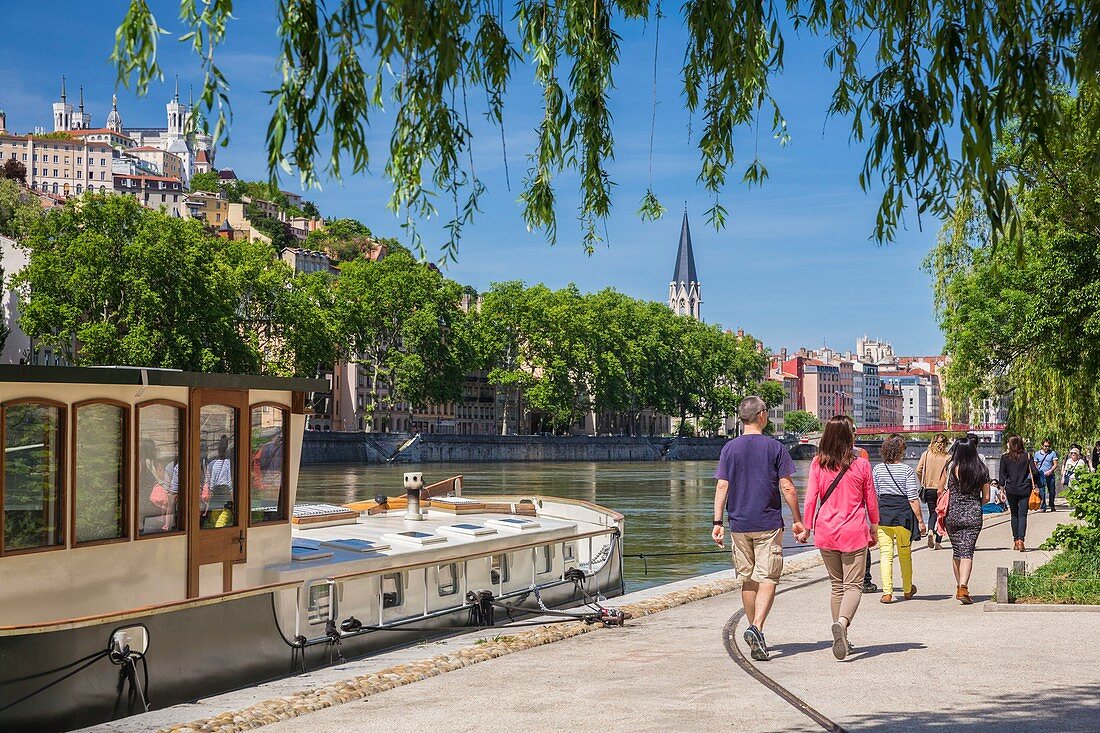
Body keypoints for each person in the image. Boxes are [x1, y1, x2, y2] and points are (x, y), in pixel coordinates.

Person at [712, 396, 806, 662]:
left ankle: (756, 634)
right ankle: (757, 628)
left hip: (738, 524)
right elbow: (787, 486)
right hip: (767, 523)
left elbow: (722, 486)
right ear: (762, 415)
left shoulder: (729, 449)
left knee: (747, 579)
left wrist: (717, 522)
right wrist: (798, 519)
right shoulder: (774, 447)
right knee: (768, 577)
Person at [803, 415, 879, 661]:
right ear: (849, 437)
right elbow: (871, 500)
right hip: (853, 531)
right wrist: (875, 526)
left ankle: (841, 634)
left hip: (825, 530)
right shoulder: (862, 465)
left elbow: (811, 498)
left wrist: (806, 526)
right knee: (853, 585)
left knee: (837, 586)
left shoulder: (817, 464)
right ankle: (843, 624)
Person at [871, 434, 925, 603]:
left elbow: (875, 494)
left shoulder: (878, 469)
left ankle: (887, 593)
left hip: (884, 514)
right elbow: (912, 497)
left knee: (885, 554)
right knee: (904, 554)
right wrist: (921, 521)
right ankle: (908, 589)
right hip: (903, 516)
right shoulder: (907, 470)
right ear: (901, 451)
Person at [943, 437, 990, 604]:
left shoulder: (951, 467)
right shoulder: (982, 470)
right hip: (973, 514)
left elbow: (943, 489)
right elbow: (986, 498)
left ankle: (959, 586)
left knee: (957, 551)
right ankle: (963, 586)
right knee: (967, 552)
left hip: (953, 514)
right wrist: (974, 502)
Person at [999, 435, 1038, 552]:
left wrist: (1002, 489)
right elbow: (1035, 472)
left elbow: (1002, 476)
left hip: (1011, 489)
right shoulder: (1027, 456)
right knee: (1023, 515)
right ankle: (1021, 540)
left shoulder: (1005, 458)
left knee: (1014, 515)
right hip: (1025, 489)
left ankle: (1015, 540)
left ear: (1011, 444)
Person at [916, 433, 951, 550]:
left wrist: (924, 482)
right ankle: (938, 542)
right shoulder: (948, 457)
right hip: (943, 490)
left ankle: (930, 530)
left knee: (932, 513)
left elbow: (918, 470)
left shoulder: (926, 455)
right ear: (945, 444)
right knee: (943, 514)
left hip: (929, 489)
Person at [204, 435, 235, 528]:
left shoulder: (213, 464)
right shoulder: (229, 463)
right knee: (221, 522)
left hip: (215, 496)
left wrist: (210, 493)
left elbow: (211, 482)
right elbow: (229, 482)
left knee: (214, 522)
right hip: (225, 495)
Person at [1033, 439, 1059, 512]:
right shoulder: (1037, 454)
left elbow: (1055, 464)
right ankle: (1043, 506)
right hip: (1041, 474)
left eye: (1048, 446)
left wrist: (1050, 471)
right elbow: (1035, 465)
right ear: (1042, 446)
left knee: (1052, 491)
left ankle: (1052, 505)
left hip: (1050, 474)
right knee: (1042, 491)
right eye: (1045, 446)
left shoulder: (1053, 453)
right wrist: (1036, 473)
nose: (1047, 448)